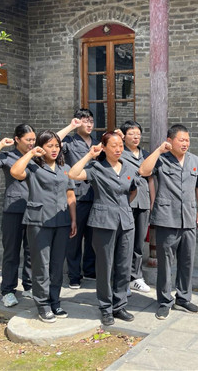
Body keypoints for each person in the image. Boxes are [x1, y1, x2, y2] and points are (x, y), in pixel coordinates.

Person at [68, 131, 137, 326]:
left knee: (124, 265)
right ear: (104, 147)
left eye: (120, 145)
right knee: (105, 266)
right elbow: (73, 174)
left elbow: (133, 190)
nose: (118, 149)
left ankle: (119, 305)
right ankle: (106, 308)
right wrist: (90, 155)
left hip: (126, 222)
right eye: (113, 146)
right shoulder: (96, 168)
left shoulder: (128, 167)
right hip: (103, 222)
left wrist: (122, 207)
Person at [139, 124, 198, 320]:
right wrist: (158, 150)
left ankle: (183, 298)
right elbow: (143, 171)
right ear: (170, 140)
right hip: (166, 218)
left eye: (187, 140)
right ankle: (164, 301)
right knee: (166, 264)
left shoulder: (195, 160)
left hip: (189, 218)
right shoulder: (161, 159)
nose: (185, 143)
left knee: (187, 261)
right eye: (181, 140)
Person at [10, 130, 77, 323]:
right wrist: (31, 153)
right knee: (41, 264)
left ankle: (55, 301)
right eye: (50, 146)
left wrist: (73, 219)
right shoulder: (32, 166)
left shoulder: (65, 168)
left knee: (57, 264)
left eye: (57, 146)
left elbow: (70, 195)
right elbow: (15, 172)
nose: (54, 149)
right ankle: (43, 304)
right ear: (41, 147)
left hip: (62, 221)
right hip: (38, 221)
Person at [0, 124, 36, 308]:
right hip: (13, 209)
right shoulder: (7, 157)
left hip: (34, 208)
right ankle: (8, 290)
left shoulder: (35, 156)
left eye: (33, 139)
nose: (32, 143)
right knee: (11, 251)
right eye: (28, 139)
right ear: (17, 139)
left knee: (31, 251)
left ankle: (29, 286)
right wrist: (1, 144)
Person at [57, 109, 98, 289]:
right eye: (85, 121)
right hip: (77, 195)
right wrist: (70, 127)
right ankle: (74, 275)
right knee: (74, 236)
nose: (89, 124)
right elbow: (52, 142)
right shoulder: (69, 142)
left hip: (95, 194)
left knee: (92, 236)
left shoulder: (96, 143)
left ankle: (90, 269)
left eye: (91, 121)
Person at [117, 120, 155, 294]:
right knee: (124, 242)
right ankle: (122, 279)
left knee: (138, 243)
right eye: (131, 134)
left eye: (138, 134)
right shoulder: (119, 153)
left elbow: (151, 180)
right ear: (124, 136)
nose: (136, 137)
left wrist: (152, 202)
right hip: (126, 202)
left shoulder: (146, 155)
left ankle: (136, 277)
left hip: (143, 202)